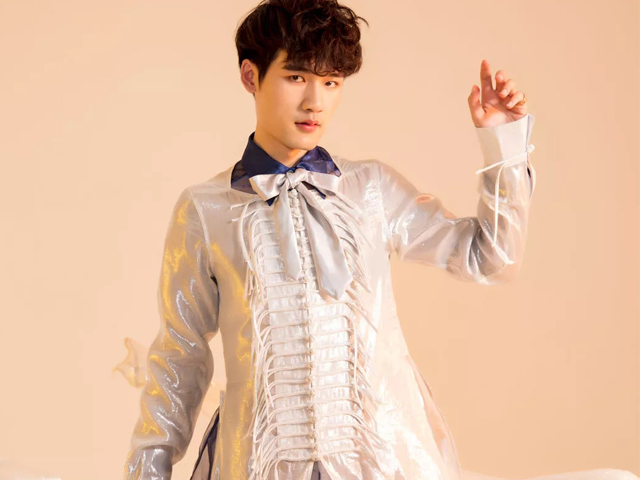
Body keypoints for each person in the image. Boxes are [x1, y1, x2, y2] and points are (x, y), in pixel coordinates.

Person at [119, 1, 625, 480]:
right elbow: (180, 356)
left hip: (382, 463)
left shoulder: (372, 190)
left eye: (331, 82)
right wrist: (148, 469)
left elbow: (491, 258)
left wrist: (503, 146)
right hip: (258, 464)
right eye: (296, 77)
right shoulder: (205, 209)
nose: (315, 102)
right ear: (251, 76)